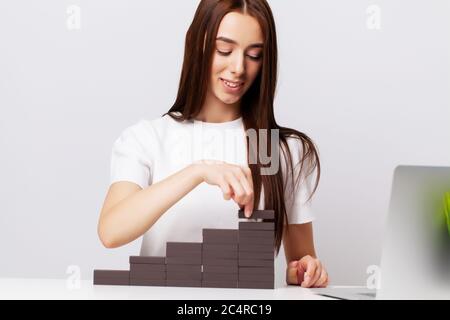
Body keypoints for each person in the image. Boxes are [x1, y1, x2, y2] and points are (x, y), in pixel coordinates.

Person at [98, 0, 328, 288]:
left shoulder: (273, 147)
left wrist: (306, 270)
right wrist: (197, 172)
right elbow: (111, 231)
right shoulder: (149, 138)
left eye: (254, 55)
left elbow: (300, 262)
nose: (238, 68)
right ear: (198, 44)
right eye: (225, 50)